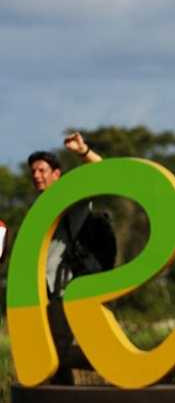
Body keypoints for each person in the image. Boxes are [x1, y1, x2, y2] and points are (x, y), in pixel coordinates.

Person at [29, 132, 110, 384]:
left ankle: (114, 369)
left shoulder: (71, 202)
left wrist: (83, 152)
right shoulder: (38, 208)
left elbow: (102, 173)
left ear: (57, 174)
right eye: (33, 171)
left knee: (59, 350)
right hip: (44, 292)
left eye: (42, 170)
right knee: (48, 349)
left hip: (67, 289)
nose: (36, 176)